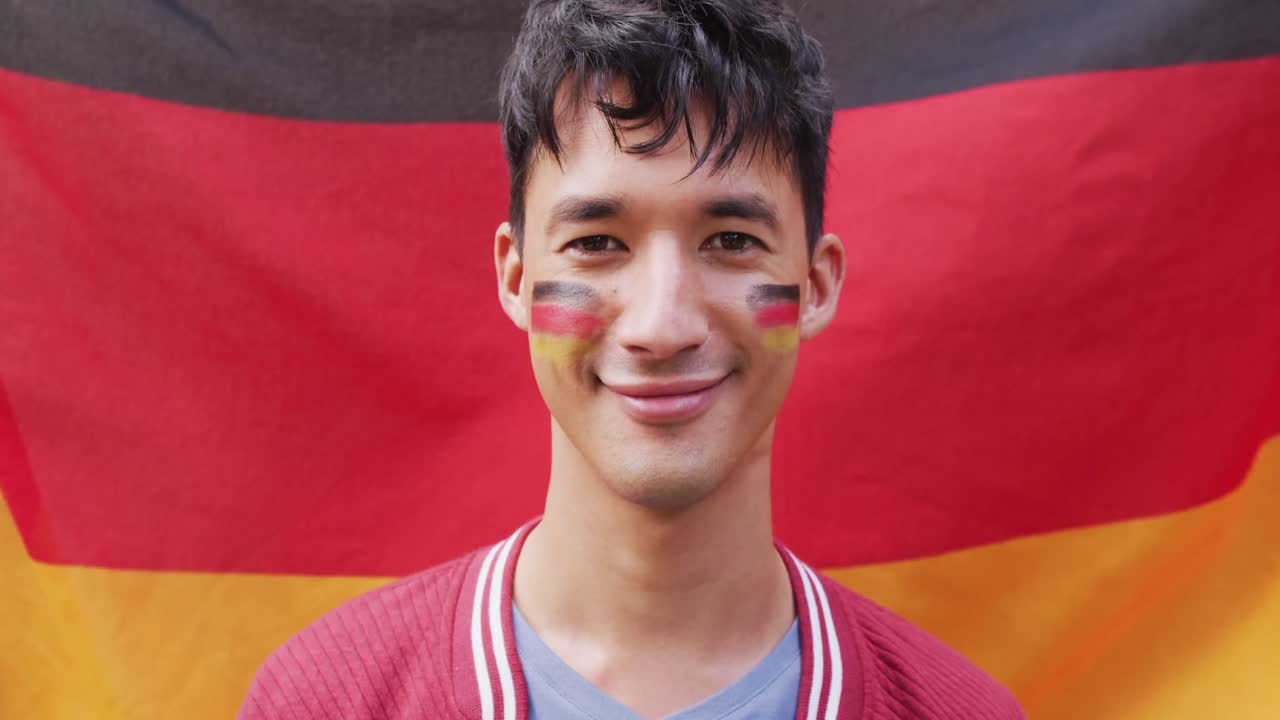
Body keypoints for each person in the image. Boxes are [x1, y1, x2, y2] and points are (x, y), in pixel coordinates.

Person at [240, 1, 1026, 717]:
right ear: (515, 278)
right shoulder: (326, 700)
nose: (662, 325)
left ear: (815, 285)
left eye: (731, 241)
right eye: (596, 244)